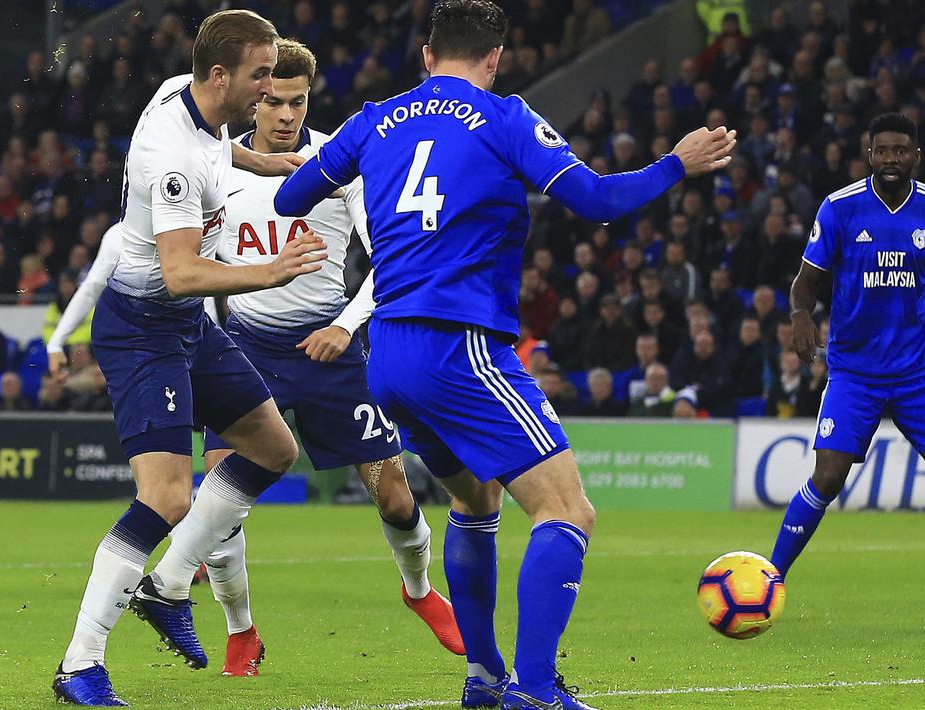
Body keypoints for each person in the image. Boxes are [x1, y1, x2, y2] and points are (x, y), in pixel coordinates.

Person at [275, 2, 734, 707]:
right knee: (567, 512)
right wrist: (676, 162)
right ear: (493, 60)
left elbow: (292, 194)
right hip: (459, 345)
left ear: (427, 56)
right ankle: (537, 688)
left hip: (387, 351)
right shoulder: (503, 115)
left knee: (476, 500)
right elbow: (596, 200)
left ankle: (485, 678)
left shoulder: (372, 119)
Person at [159, 38, 464, 674]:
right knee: (220, 496)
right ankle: (241, 629)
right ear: (253, 96)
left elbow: (391, 260)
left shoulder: (338, 162)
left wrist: (348, 327)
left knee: (395, 497)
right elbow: (195, 255)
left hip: (330, 349)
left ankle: (419, 592)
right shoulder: (219, 163)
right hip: (245, 348)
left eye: (297, 101)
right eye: (273, 100)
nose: (285, 114)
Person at [52, 11, 326, 706]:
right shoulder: (169, 157)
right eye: (260, 75)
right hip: (143, 325)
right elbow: (179, 272)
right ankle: (79, 665)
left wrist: (262, 161)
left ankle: (169, 586)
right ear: (219, 75)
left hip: (183, 327)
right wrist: (271, 272)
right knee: (167, 496)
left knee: (272, 447)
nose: (269, 91)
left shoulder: (189, 98)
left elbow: (217, 147)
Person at [769, 113, 925, 625]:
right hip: (855, 371)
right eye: (882, 151)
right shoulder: (840, 208)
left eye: (900, 150)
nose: (891, 159)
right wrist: (800, 315)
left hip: (921, 368)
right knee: (827, 474)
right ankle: (770, 578)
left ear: (916, 155)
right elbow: (804, 282)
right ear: (868, 155)